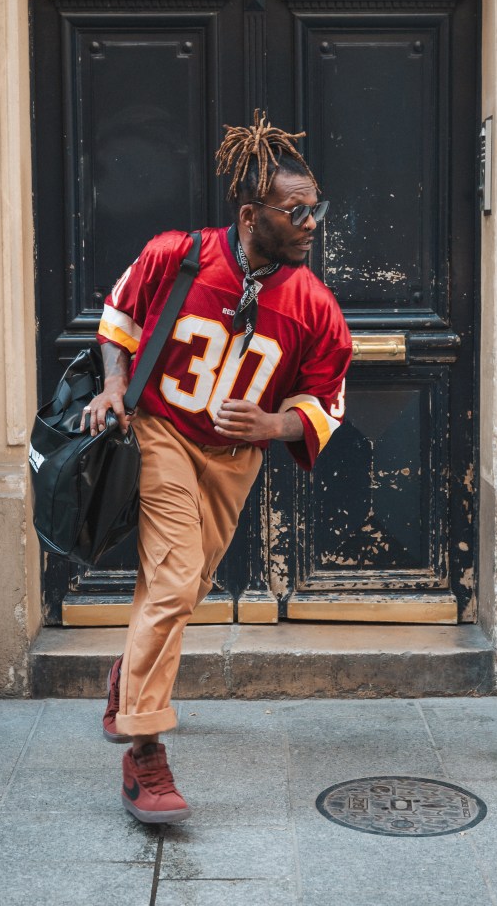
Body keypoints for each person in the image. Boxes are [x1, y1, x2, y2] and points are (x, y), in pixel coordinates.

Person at [82, 110, 352, 824]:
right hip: (162, 434)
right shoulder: (177, 256)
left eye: (316, 209)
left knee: (184, 586)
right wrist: (113, 385)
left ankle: (127, 676)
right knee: (174, 581)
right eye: (296, 211)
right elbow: (117, 317)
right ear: (250, 214)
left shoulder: (315, 307)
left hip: (234, 462)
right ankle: (144, 751)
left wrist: (274, 424)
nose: (311, 223)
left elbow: (326, 402)